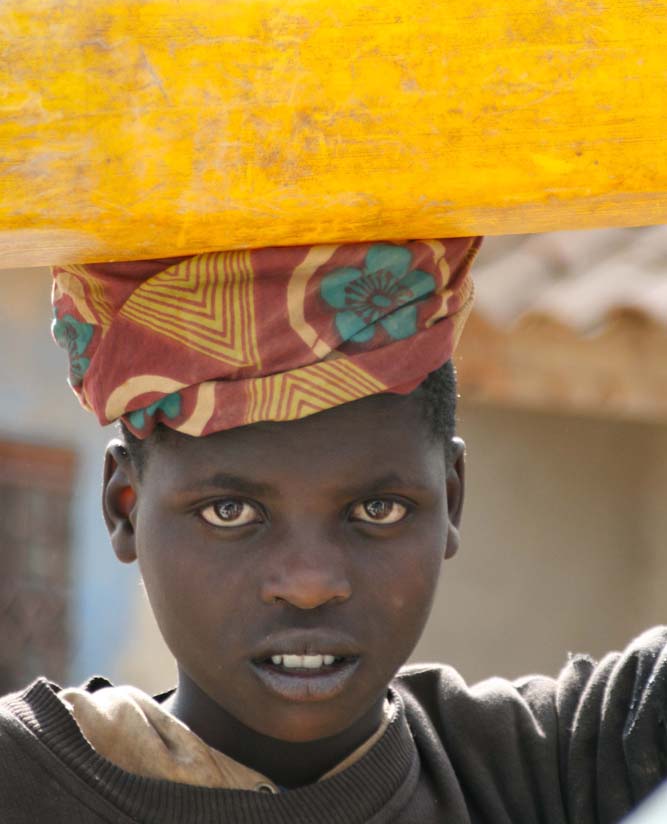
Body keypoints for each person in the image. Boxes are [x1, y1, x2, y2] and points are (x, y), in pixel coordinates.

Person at [1, 237, 666, 823]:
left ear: (451, 499)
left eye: (377, 511)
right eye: (230, 512)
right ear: (124, 507)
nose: (310, 584)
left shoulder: (560, 769)